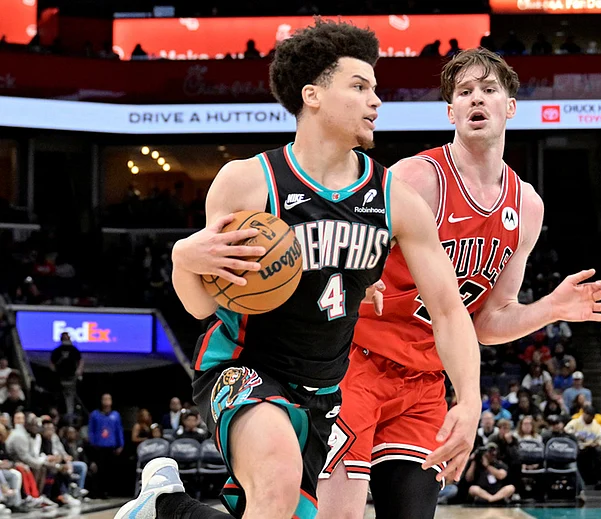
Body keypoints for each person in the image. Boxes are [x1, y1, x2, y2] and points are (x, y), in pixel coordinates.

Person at [117, 20, 479, 519]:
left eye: (375, 88)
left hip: (324, 390)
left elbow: (447, 309)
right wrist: (183, 259)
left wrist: (471, 400)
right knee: (278, 486)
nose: (376, 101)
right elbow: (202, 303)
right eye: (359, 86)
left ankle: (166, 509)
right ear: (312, 95)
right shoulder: (248, 182)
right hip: (243, 365)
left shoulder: (395, 199)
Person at [317, 47, 601, 519]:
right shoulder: (419, 176)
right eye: (465, 92)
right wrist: (357, 277)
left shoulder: (527, 206)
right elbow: (342, 247)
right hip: (357, 364)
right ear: (450, 110)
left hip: (426, 381)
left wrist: (552, 309)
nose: (477, 99)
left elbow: (488, 320)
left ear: (509, 106)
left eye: (489, 90)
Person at [50, 332, 83, 417]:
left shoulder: (73, 350)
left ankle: (71, 413)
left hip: (71, 377)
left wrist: (79, 370)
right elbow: (52, 362)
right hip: (60, 378)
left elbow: (80, 360)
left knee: (71, 397)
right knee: (59, 397)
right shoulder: (57, 351)